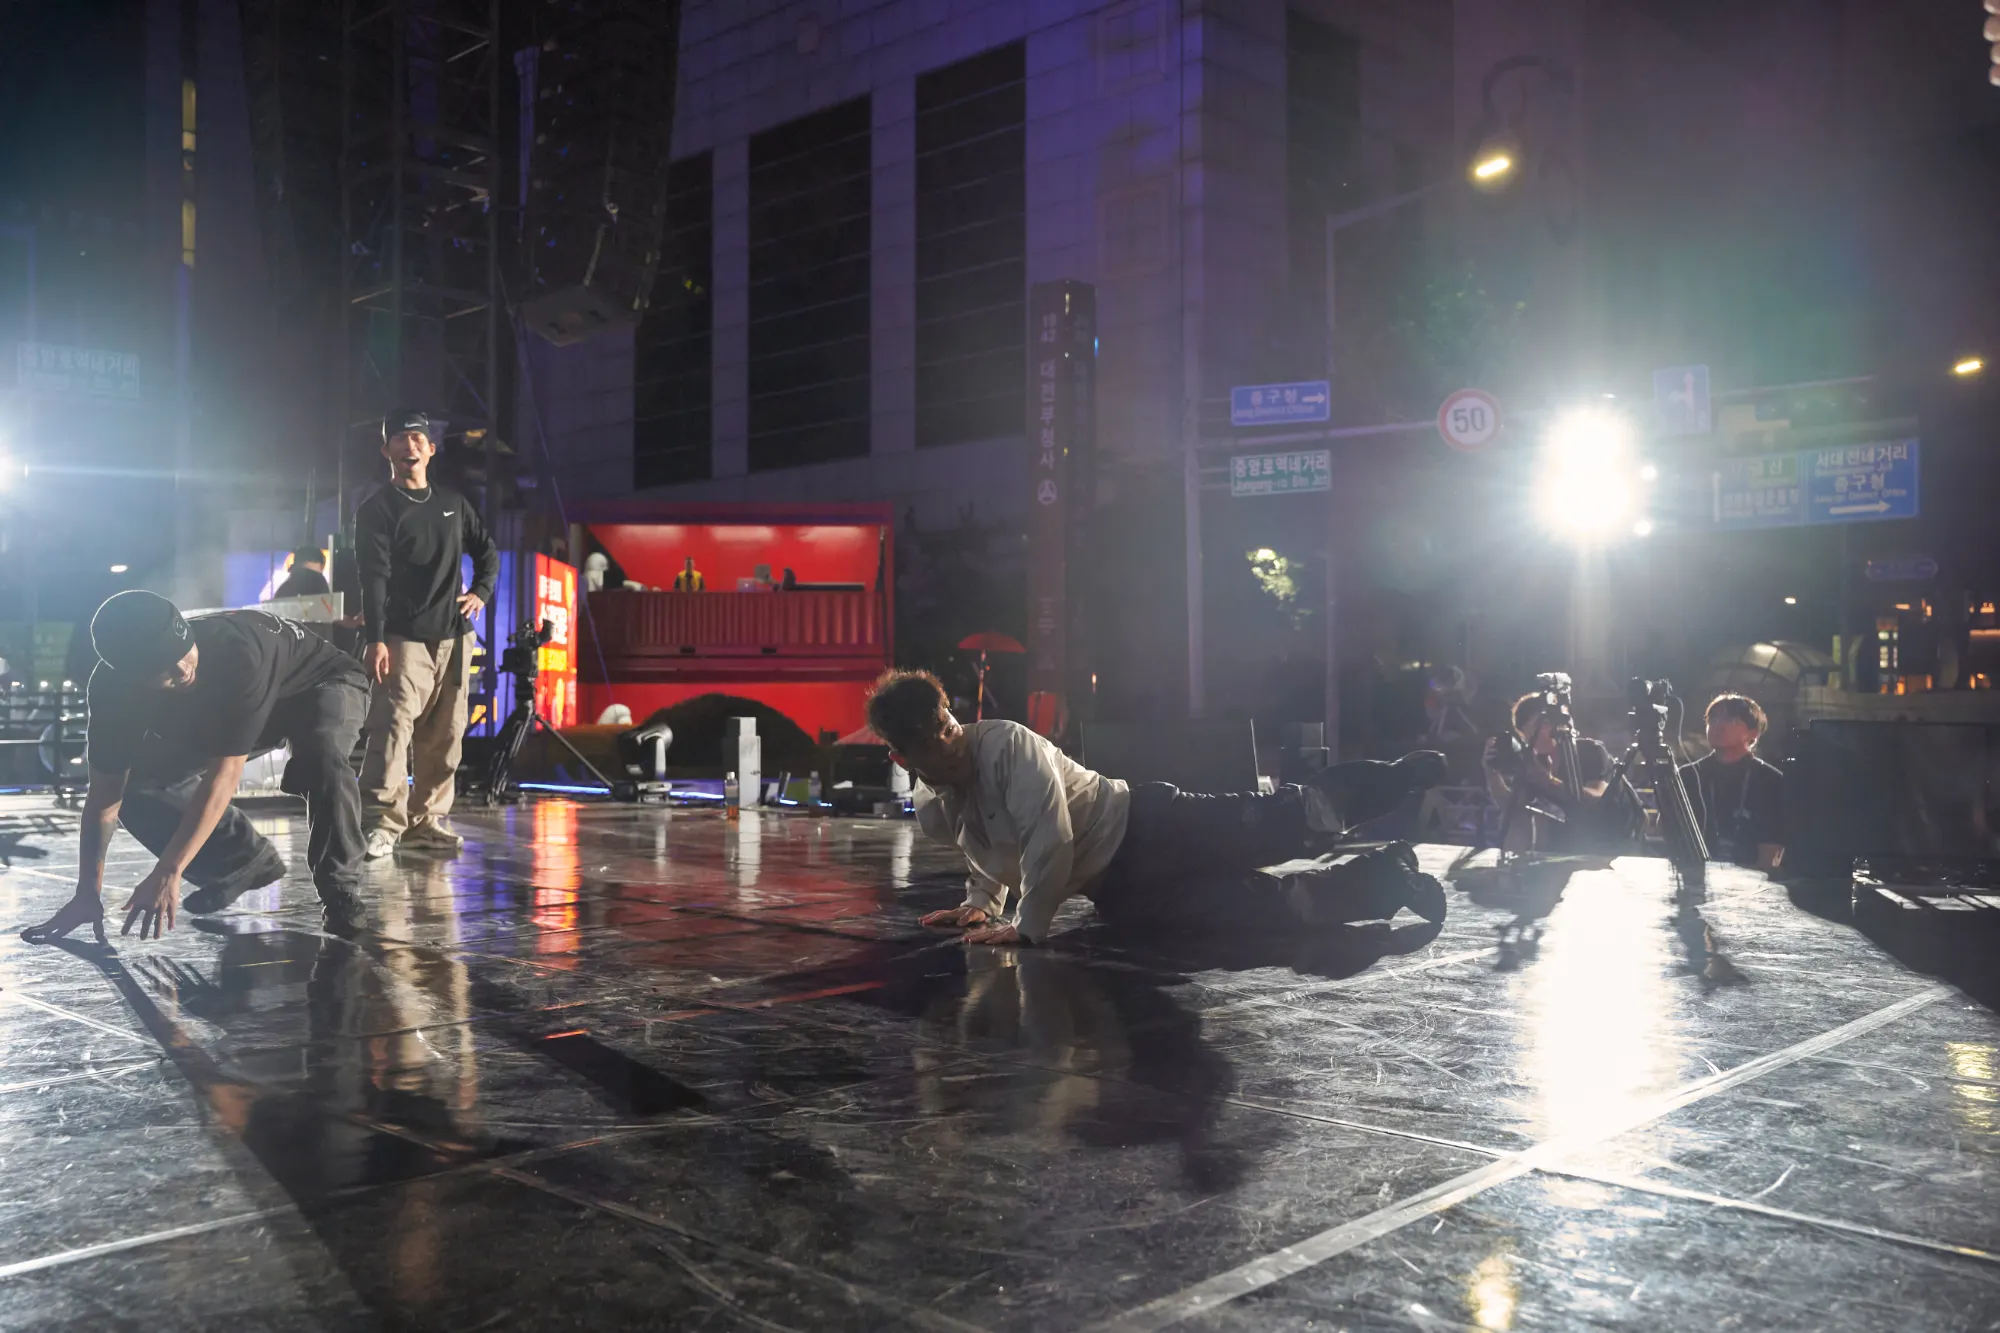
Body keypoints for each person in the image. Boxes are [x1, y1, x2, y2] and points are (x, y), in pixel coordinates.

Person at [864, 669, 1449, 946]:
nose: (952, 746)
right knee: (1271, 912)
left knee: (1290, 821)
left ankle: (1397, 779)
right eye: (933, 744)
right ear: (902, 756)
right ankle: (1391, 879)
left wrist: (1026, 928)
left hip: (1149, 823)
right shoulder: (933, 807)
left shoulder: (1006, 744)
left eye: (949, 727)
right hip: (1121, 891)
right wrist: (980, 903)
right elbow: (989, 848)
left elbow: (1049, 838)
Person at [21, 591, 371, 942]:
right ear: (131, 677)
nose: (182, 668)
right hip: (233, 705)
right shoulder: (113, 695)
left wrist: (169, 870)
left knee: (322, 755)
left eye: (183, 651)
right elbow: (104, 800)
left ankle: (340, 891)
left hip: (323, 682)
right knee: (137, 787)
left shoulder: (236, 652)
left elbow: (224, 777)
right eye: (163, 667)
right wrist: (87, 893)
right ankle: (242, 861)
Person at [355, 409, 499, 858]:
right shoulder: (378, 509)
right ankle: (382, 823)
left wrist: (481, 592)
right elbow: (373, 578)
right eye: (399, 439)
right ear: (386, 451)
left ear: (431, 449)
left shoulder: (453, 503)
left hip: (454, 636)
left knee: (446, 736)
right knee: (393, 728)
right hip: (404, 637)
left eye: (417, 438)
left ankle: (425, 822)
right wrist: (376, 638)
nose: (409, 446)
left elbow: (487, 552)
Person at [1483, 691, 1634, 854]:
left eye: (1537, 727)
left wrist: (1547, 780)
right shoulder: (1534, 760)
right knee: (1519, 820)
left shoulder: (1589, 751)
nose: (1529, 737)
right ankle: (1514, 869)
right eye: (1524, 733)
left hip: (1608, 831)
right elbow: (1511, 808)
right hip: (1569, 833)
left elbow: (1598, 800)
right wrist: (1491, 772)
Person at [1682, 693, 1784, 869]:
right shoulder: (1689, 775)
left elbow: (1770, 855)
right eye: (1713, 719)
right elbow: (1668, 832)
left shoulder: (1769, 780)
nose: (1719, 725)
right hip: (1695, 875)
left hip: (1752, 878)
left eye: (1732, 720)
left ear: (1753, 733)